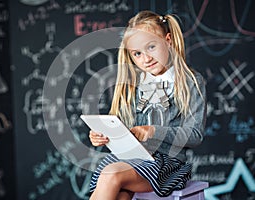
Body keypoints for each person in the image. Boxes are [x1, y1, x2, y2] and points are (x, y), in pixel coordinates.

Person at [88, 10, 207, 200]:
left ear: (168, 41)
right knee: (117, 190)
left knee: (111, 175)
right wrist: (104, 136)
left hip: (168, 165)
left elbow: (195, 135)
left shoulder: (190, 82)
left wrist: (153, 131)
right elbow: (125, 130)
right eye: (137, 53)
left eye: (151, 47)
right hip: (133, 158)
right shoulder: (133, 85)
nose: (146, 58)